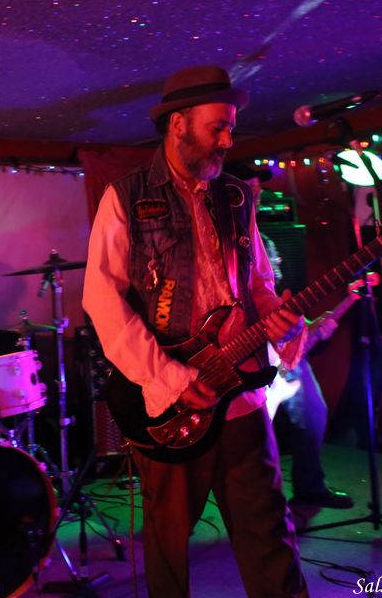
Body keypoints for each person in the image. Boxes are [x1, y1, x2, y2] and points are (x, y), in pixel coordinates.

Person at [83, 65, 309, 596]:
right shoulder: (126, 197)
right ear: (179, 123)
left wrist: (277, 316)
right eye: (218, 127)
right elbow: (102, 299)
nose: (228, 140)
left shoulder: (237, 196)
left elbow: (258, 284)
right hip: (172, 402)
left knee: (268, 532)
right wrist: (170, 378)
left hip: (242, 397)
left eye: (231, 128)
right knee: (168, 546)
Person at [228, 162, 354, 509]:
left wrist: (306, 325)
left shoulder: (266, 241)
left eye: (259, 189)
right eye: (250, 189)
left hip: (282, 348)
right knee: (252, 430)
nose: (257, 194)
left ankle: (310, 487)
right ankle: (255, 501)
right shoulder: (223, 245)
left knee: (313, 413)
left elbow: (276, 300)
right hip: (246, 353)